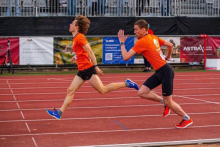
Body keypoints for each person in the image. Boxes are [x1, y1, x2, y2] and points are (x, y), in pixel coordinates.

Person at [46, 15, 139, 119]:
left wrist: (95, 67)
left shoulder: (80, 37)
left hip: (88, 69)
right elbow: (81, 51)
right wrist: (75, 56)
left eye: (72, 23)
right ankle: (59, 113)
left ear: (76, 27)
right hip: (82, 70)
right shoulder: (76, 38)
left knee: (103, 90)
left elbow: (90, 51)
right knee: (70, 90)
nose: (70, 24)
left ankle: (127, 83)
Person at [117, 19, 193, 129]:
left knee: (169, 102)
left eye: (136, 30)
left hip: (165, 71)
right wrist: (168, 56)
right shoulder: (153, 37)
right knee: (142, 92)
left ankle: (187, 118)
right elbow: (170, 45)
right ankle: (164, 103)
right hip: (160, 71)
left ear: (143, 30)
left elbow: (125, 57)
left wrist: (122, 42)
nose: (134, 32)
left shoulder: (142, 42)